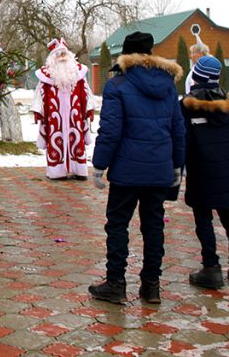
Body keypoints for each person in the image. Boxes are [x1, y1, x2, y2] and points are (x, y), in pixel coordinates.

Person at [89, 31, 185, 305]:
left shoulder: (117, 85)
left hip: (127, 172)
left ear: (126, 56)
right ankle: (151, 286)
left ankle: (116, 283)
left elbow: (110, 130)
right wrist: (177, 164)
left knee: (118, 225)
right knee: (154, 226)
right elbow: (178, 129)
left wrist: (99, 165)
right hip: (159, 169)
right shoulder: (168, 86)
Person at [181, 56, 229, 289]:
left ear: (197, 77)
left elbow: (183, 141)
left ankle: (211, 267)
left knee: (203, 219)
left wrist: (177, 171)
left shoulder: (188, 107)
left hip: (200, 173)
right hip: (228, 173)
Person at [32, 38, 94, 180]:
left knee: (77, 139)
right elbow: (38, 94)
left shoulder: (79, 72)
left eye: (64, 53)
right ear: (52, 58)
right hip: (54, 116)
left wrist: (89, 108)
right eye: (58, 54)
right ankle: (57, 171)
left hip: (75, 116)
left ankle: (79, 170)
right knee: (55, 139)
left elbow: (86, 91)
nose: (62, 57)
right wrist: (38, 110)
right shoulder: (45, 76)